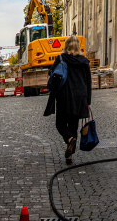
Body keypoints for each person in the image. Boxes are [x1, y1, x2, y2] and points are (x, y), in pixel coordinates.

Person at [43, 36, 92, 164]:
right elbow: (88, 82)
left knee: (60, 124)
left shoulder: (61, 58)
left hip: (64, 96)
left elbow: (51, 73)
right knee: (73, 125)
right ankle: (69, 156)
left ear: (66, 46)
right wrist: (88, 102)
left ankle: (70, 140)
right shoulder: (84, 61)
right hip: (80, 97)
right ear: (78, 46)